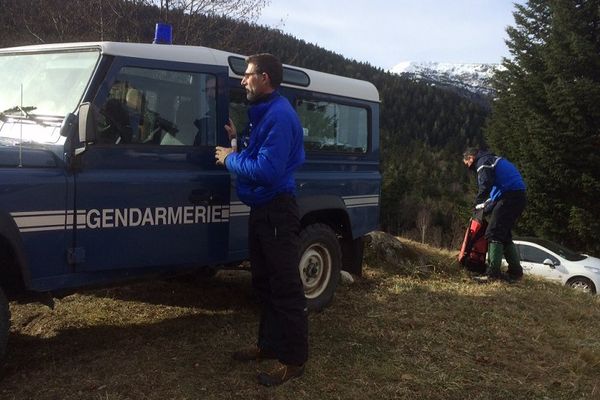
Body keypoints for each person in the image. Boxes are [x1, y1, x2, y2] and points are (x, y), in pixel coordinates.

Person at [214, 53, 308, 386]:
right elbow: (257, 156)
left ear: (264, 77)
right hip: (264, 211)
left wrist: (229, 159)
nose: (242, 81)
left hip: (277, 211)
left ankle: (293, 360)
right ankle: (268, 346)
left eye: (247, 75)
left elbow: (266, 171)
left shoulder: (279, 116)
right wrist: (238, 141)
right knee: (264, 284)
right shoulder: (266, 113)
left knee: (285, 287)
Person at [462, 147, 527, 282]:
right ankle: (515, 273)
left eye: (468, 165)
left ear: (471, 158)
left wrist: (477, 203)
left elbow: (485, 185)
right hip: (516, 196)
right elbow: (493, 199)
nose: (470, 168)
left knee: (493, 233)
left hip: (510, 197)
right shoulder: (493, 161)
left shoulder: (483, 162)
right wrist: (482, 211)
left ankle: (492, 274)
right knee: (504, 235)